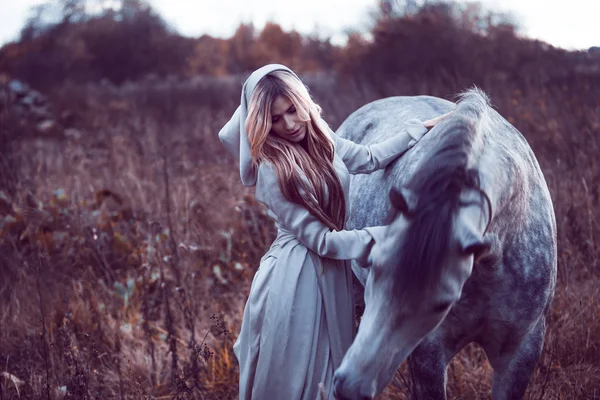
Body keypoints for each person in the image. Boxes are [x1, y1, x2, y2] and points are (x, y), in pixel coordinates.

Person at [218, 64, 444, 399]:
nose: (290, 124)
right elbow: (321, 241)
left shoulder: (321, 136)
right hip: (297, 278)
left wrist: (422, 130)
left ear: (303, 101)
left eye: (293, 110)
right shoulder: (271, 168)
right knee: (306, 375)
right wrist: (391, 236)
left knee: (331, 367)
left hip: (332, 269)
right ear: (262, 124)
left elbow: (367, 158)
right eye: (276, 119)